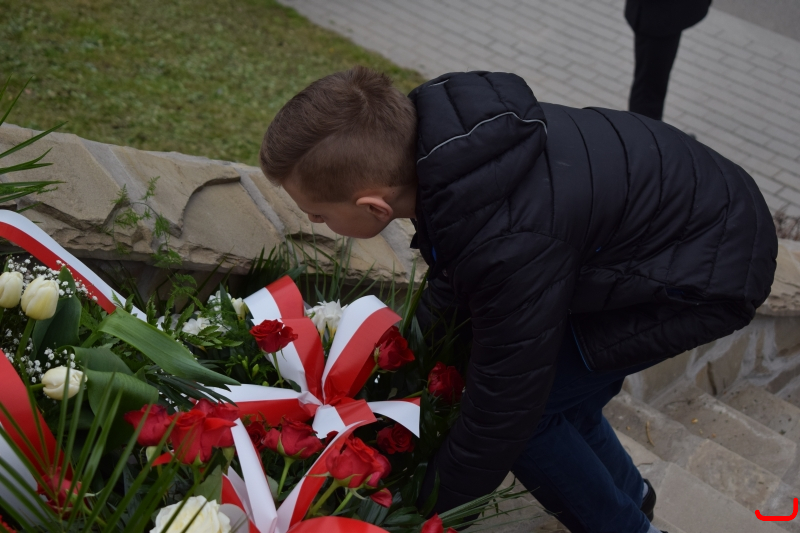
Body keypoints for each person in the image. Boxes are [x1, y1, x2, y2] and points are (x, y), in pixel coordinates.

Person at [259, 67, 777, 533]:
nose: (314, 223)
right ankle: (633, 494)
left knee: (534, 419)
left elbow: (503, 418)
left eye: (319, 215)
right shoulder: (445, 147)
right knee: (562, 393)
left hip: (703, 274)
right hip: (678, 220)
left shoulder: (508, 243)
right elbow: (457, 266)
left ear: (374, 206)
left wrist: (422, 515)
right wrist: (409, 360)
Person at [626, 0, 712, 120]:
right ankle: (643, 130)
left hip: (668, 15)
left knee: (652, 87)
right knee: (648, 91)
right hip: (658, 17)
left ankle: (648, 128)